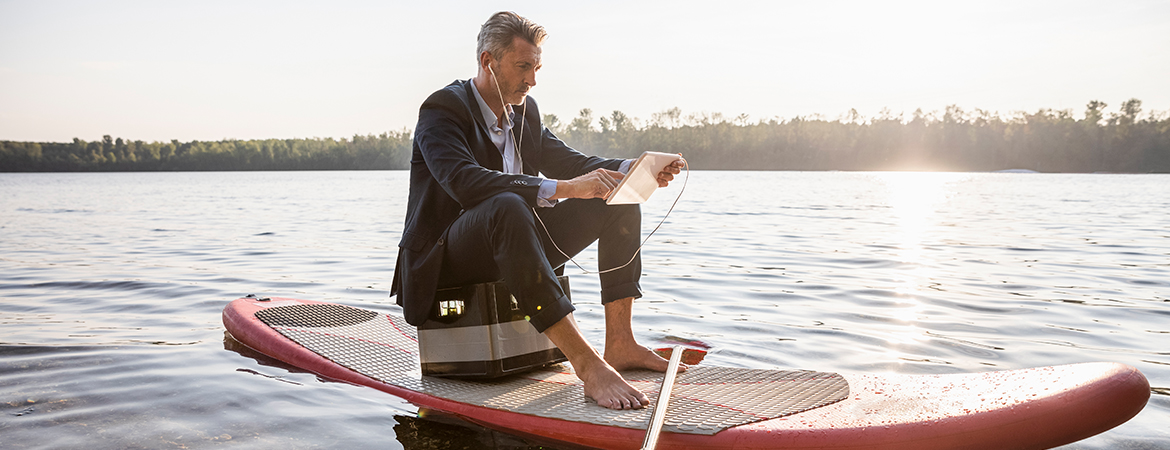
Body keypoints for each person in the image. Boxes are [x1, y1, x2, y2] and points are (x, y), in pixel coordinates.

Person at [391, 11, 684, 410]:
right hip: (447, 259)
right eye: (523, 66)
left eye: (536, 67)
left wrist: (630, 169)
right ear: (488, 63)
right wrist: (566, 190)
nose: (532, 79)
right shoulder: (442, 109)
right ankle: (587, 365)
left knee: (616, 195)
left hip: (515, 245)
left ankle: (620, 343)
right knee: (507, 205)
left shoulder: (525, 112)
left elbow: (571, 162)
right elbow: (464, 180)